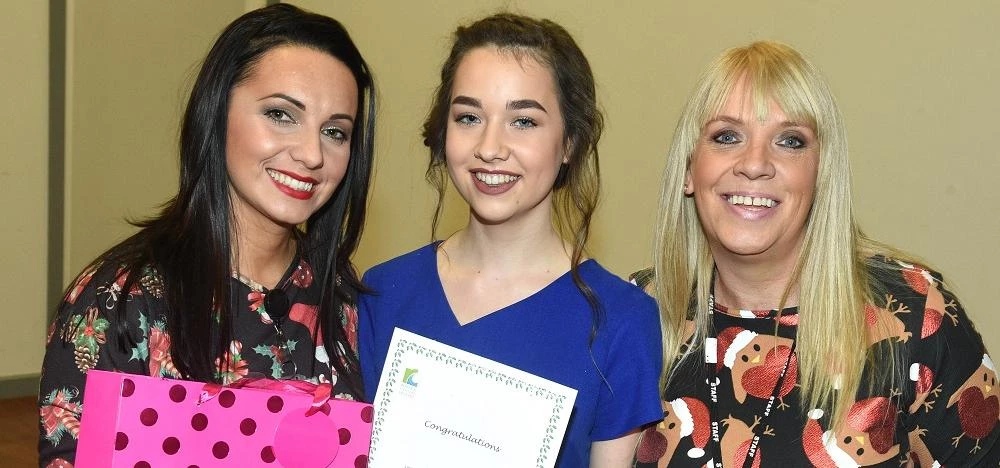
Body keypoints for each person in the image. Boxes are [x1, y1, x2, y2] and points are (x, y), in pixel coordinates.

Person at [631, 40, 999, 467]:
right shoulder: (634, 312)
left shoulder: (914, 316)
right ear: (689, 170)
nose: (754, 163)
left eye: (790, 141)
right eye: (726, 136)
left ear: (822, 175)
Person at [37, 4, 376, 466]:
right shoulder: (120, 300)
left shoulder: (345, 301)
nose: (312, 154)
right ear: (216, 112)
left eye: (335, 131)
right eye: (281, 114)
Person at [358, 13, 662, 467]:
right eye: (468, 117)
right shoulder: (383, 292)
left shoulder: (622, 319)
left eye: (523, 121)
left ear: (569, 143)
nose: (490, 146)